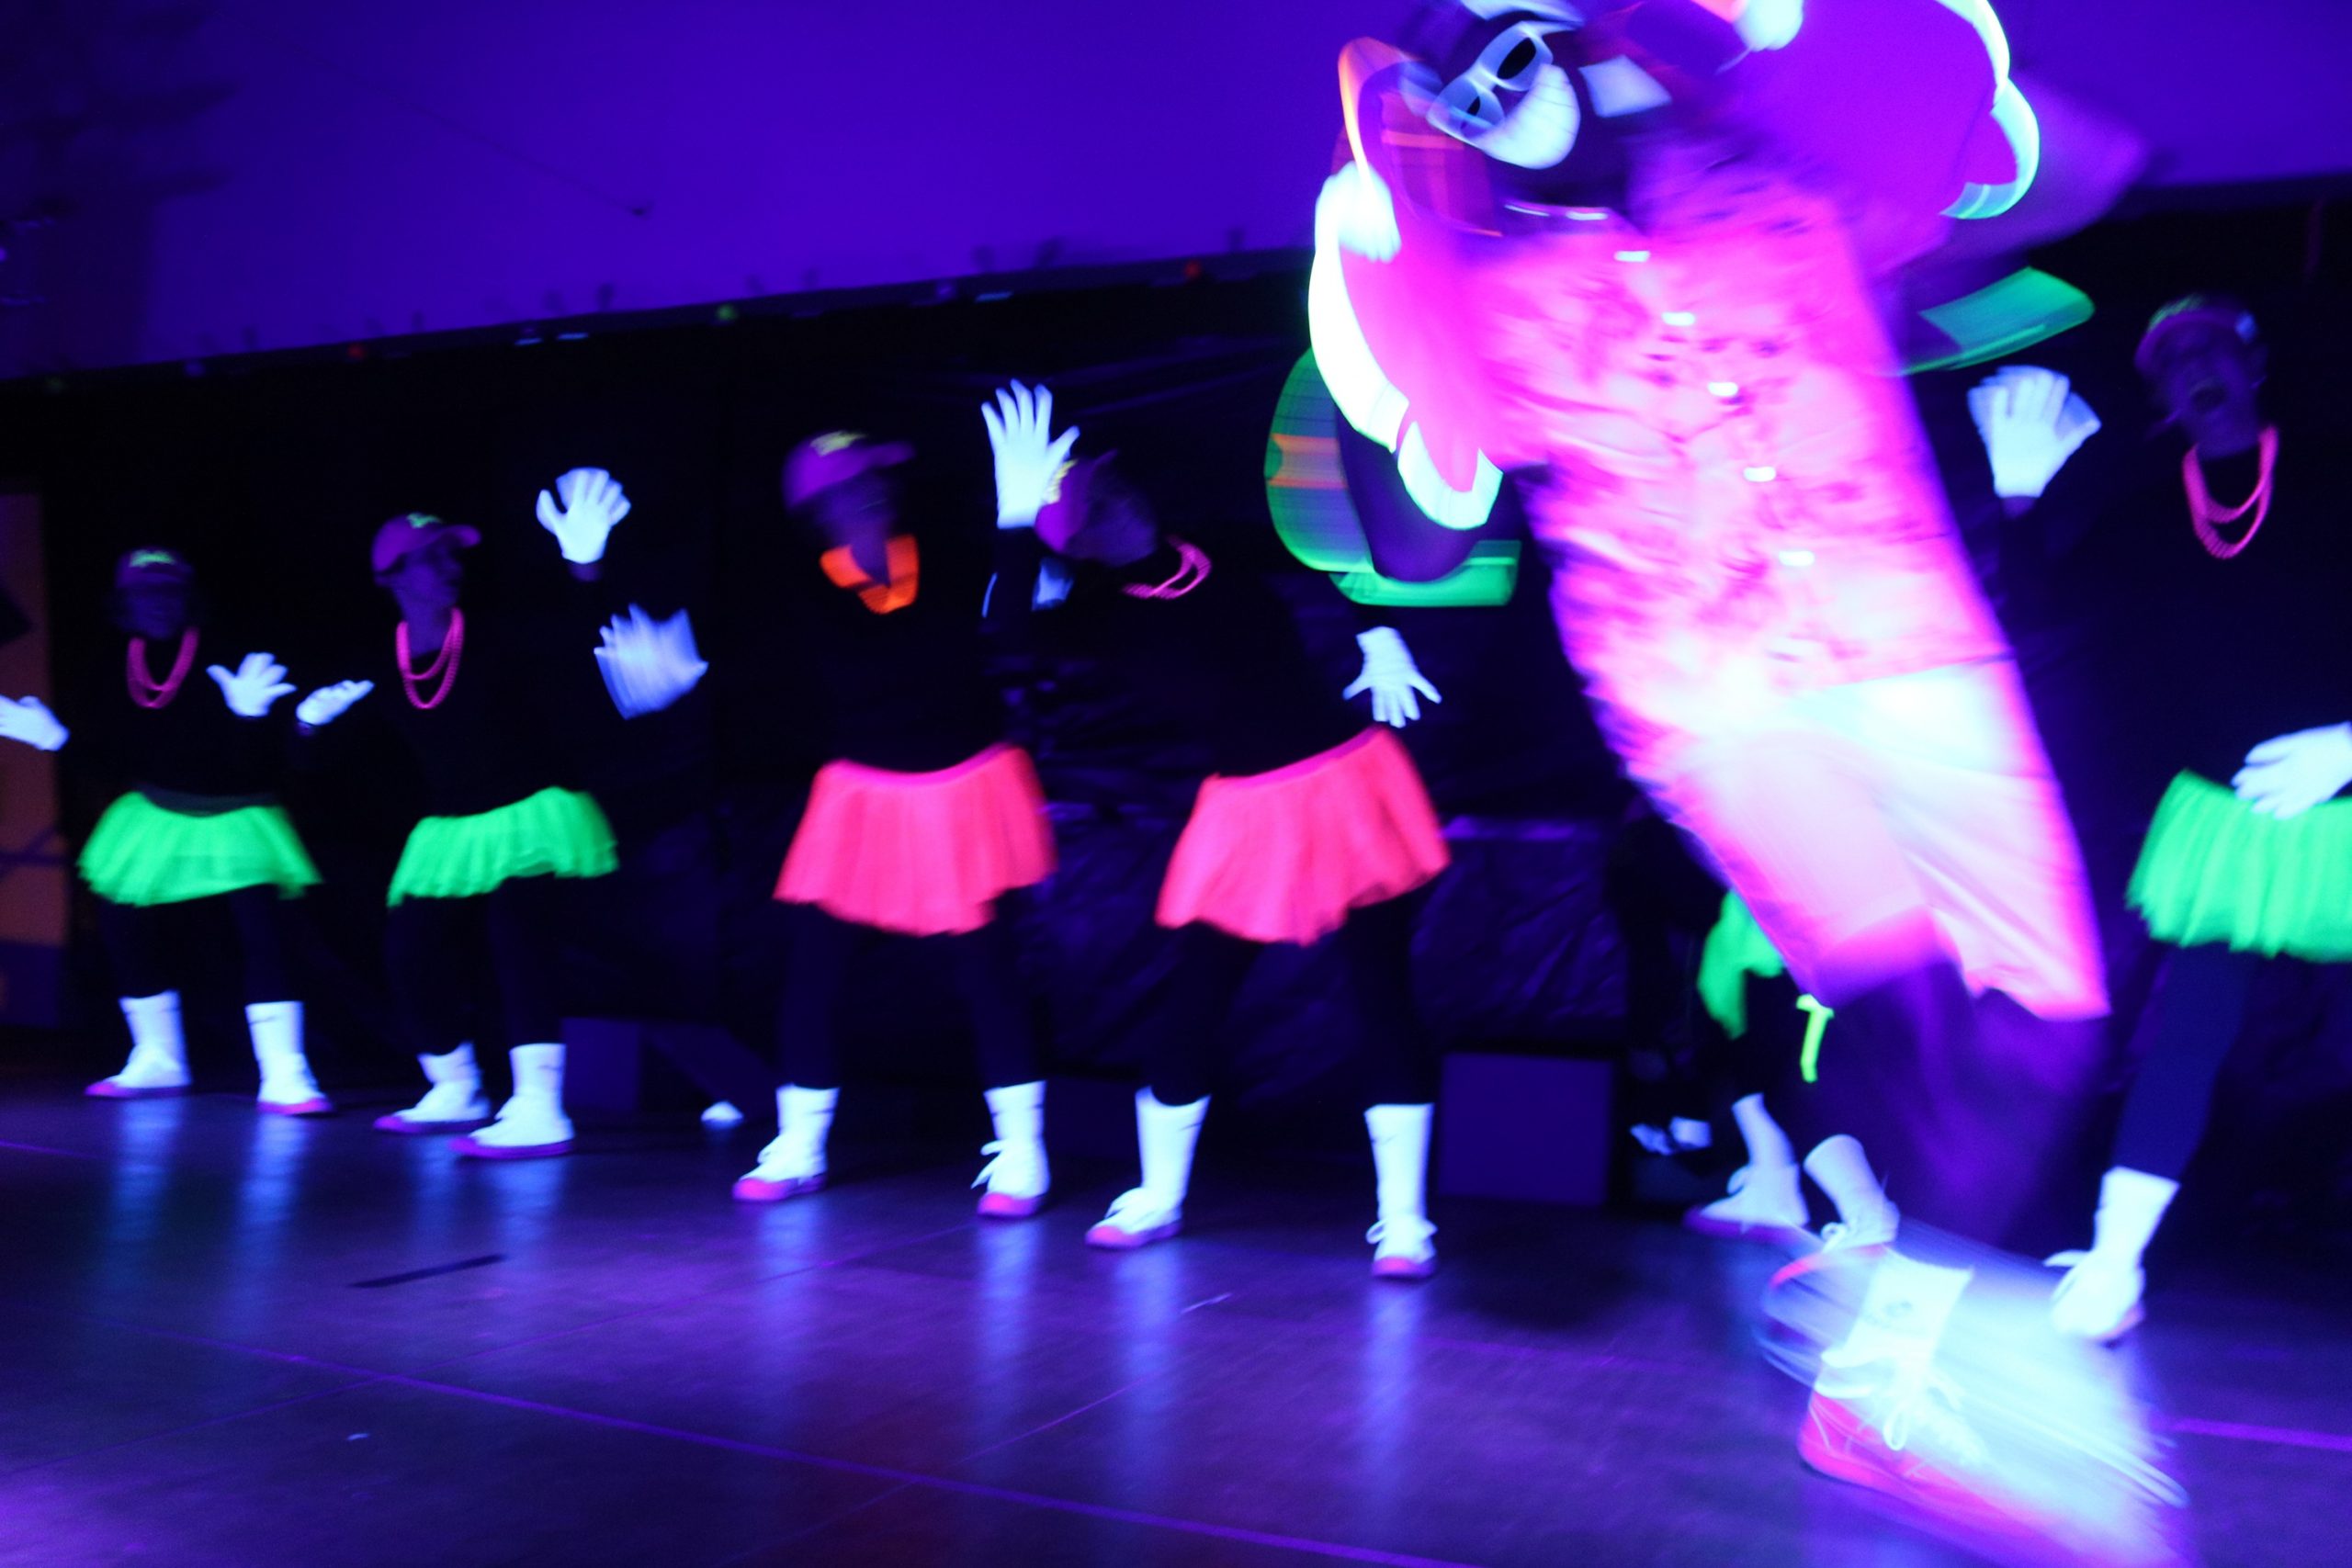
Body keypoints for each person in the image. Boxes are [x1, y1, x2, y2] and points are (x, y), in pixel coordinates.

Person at [1308, 0, 2157, 1541]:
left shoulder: (1773, 166)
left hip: (1910, 644)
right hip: (1706, 687)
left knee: (2046, 1029)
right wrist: (1361, 348)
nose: (1491, 99)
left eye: (1509, 55)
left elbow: (2078, 169)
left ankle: (1883, 1300)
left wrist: (1836, 62)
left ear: (1569, 37)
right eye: (1456, 94)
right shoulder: (1478, 286)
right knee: (1911, 1008)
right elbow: (1417, 542)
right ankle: (1883, 1381)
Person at [984, 381, 1453, 1278]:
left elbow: (1330, 556)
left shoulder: (1218, 544)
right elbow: (1004, 631)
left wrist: (1377, 633)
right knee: (1195, 995)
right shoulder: (1097, 616)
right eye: (1098, 507)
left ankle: (1404, 1223)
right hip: (1244, 812)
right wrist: (1014, 521)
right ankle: (1158, 1196)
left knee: (1381, 991)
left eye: (1116, 487)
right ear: (1081, 543)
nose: (1122, 503)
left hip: (1349, 785)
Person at [1984, 299, 2352, 1342]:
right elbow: (2041, 613)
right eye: (2170, 357)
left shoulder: (2335, 478)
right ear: (2158, 396)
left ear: (2254, 363)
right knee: (2186, 1033)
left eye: (2211, 344)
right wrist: (2018, 496)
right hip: (2228, 818)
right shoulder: (2147, 519)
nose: (2194, 362)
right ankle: (2114, 1263)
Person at [299, 469, 701, 1158]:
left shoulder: (496, 634)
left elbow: (574, 634)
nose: (448, 567)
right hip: (451, 826)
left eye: (452, 555)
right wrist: (306, 727)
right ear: (392, 577)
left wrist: (585, 566)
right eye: (430, 558)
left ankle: (539, 1108)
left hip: (528, 810)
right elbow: (324, 757)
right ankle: (455, 1086)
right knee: (410, 951)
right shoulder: (383, 664)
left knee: (519, 942)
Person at [740, 429, 1057, 1216]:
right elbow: (875, 660)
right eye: (857, 481)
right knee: (816, 969)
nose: (877, 489)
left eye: (880, 476)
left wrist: (1019, 527)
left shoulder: (943, 554)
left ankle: (1023, 1151)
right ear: (821, 508)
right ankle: (800, 1146)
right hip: (865, 798)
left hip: (965, 786)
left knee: (987, 967)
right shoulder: (806, 593)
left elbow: (1004, 630)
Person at [0, 547, 329, 1112]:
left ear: (188, 598)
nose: (158, 602)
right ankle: (158, 1056)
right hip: (155, 811)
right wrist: (55, 739)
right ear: (124, 601)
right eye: (145, 591)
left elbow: (266, 761)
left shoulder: (226, 654)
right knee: (123, 922)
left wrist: (248, 718)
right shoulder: (110, 667)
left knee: (263, 936)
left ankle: (285, 1069)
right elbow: (107, 764)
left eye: (169, 590)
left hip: (237, 814)